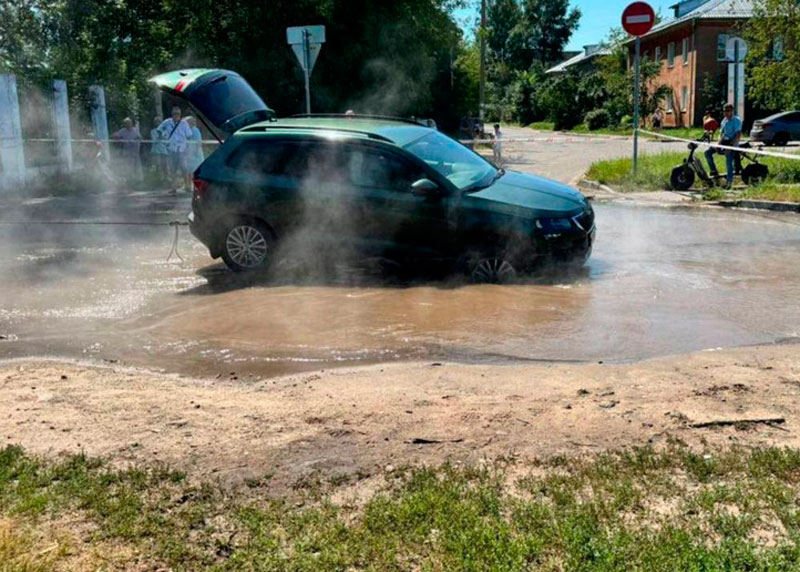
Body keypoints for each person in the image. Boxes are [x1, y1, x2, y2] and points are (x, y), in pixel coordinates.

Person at [705, 103, 742, 189]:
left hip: (732, 144)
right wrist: (718, 144)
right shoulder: (724, 121)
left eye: (727, 111)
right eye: (724, 111)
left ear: (732, 111)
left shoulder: (736, 120)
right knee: (708, 152)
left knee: (728, 160)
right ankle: (714, 171)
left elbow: (738, 135)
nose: (725, 113)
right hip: (724, 142)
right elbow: (722, 134)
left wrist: (730, 147)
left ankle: (729, 182)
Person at [157, 106, 193, 192]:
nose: (176, 115)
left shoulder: (184, 123)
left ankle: (187, 186)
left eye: (178, 114)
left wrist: (187, 147)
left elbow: (189, 135)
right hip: (172, 149)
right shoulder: (167, 122)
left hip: (182, 149)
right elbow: (159, 130)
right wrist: (163, 136)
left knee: (184, 168)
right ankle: (174, 187)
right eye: (174, 114)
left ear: (180, 114)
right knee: (173, 169)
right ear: (172, 114)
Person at [111, 117, 142, 184]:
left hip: (135, 152)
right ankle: (130, 180)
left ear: (131, 123)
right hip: (127, 152)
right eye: (126, 123)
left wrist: (136, 140)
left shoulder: (135, 130)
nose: (127, 124)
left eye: (129, 123)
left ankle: (138, 180)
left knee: (137, 166)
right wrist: (117, 138)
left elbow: (140, 137)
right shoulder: (123, 131)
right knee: (129, 166)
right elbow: (115, 135)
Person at [149, 116, 168, 181]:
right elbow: (154, 141)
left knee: (164, 164)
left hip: (163, 150)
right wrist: (160, 136)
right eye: (157, 122)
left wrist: (162, 137)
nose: (158, 123)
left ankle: (165, 177)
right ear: (155, 123)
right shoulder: (153, 131)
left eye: (160, 122)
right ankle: (157, 178)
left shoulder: (165, 131)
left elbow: (166, 140)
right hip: (156, 150)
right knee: (157, 164)